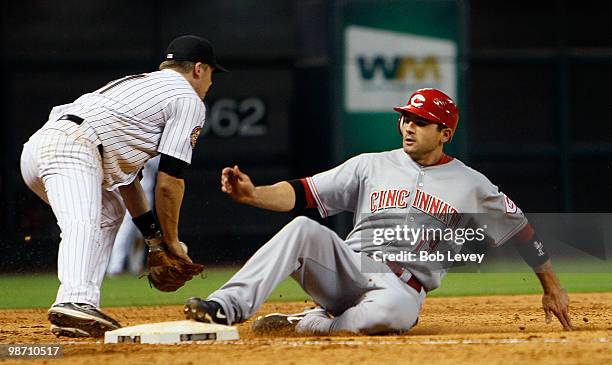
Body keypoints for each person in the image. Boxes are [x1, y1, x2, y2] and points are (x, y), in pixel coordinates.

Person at [184, 88, 574, 335]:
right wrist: (254, 194)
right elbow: (304, 193)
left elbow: (520, 229)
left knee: (386, 316)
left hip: (403, 286)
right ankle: (225, 306)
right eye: (406, 118)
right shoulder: (370, 164)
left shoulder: (471, 183)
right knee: (303, 228)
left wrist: (551, 286)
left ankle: (310, 324)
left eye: (422, 122)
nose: (408, 126)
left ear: (445, 134)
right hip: (351, 265)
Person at [20, 35, 227, 338]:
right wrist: (172, 241)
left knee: (109, 211)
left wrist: (154, 242)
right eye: (211, 72)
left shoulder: (142, 88)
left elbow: (129, 182)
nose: (211, 82)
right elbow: (169, 183)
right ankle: (73, 300)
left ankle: (80, 308)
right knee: (85, 221)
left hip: (42, 148)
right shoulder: (187, 98)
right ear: (198, 68)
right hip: (72, 148)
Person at [106, 156, 160, 277]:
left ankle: (135, 265)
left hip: (146, 194)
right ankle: (115, 266)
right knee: (124, 231)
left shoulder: (152, 143)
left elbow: (158, 166)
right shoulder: (134, 145)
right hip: (129, 192)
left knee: (141, 233)